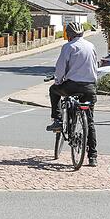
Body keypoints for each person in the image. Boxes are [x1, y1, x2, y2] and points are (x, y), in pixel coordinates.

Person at [46, 22, 99, 166]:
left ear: (69, 35)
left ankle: (57, 120)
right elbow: (95, 65)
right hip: (90, 87)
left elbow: (60, 68)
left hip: (72, 85)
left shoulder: (68, 47)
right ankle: (92, 157)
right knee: (90, 121)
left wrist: (58, 81)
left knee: (53, 90)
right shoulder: (91, 46)